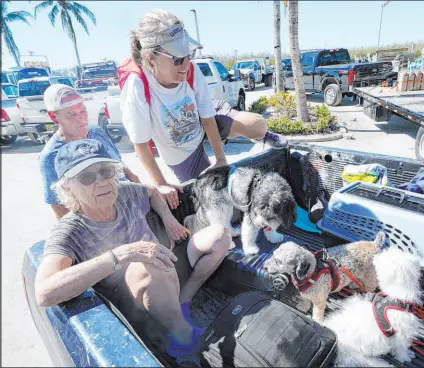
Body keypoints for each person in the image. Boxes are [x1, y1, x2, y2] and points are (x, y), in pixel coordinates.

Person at [35, 139, 231, 357]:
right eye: (87, 177)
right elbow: (44, 293)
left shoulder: (124, 192)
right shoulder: (68, 231)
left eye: (106, 171)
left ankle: (183, 300)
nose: (101, 182)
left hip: (166, 266)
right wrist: (121, 254)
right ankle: (183, 339)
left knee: (219, 235)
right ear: (66, 188)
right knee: (149, 265)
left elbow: (152, 192)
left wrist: (168, 219)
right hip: (133, 298)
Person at [120, 9, 287, 209]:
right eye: (177, 59)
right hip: (180, 150)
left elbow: (208, 117)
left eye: (188, 55)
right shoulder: (137, 85)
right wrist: (161, 184)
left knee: (257, 124)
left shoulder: (191, 70)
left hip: (202, 121)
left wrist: (220, 158)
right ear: (150, 59)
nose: (186, 64)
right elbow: (140, 143)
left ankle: (258, 135)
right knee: (213, 199)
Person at [39, 84, 141, 220]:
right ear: (54, 116)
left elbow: (120, 165)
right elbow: (60, 209)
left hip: (131, 209)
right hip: (103, 222)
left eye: (83, 111)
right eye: (71, 114)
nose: (81, 118)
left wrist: (140, 190)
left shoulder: (97, 132)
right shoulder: (51, 156)